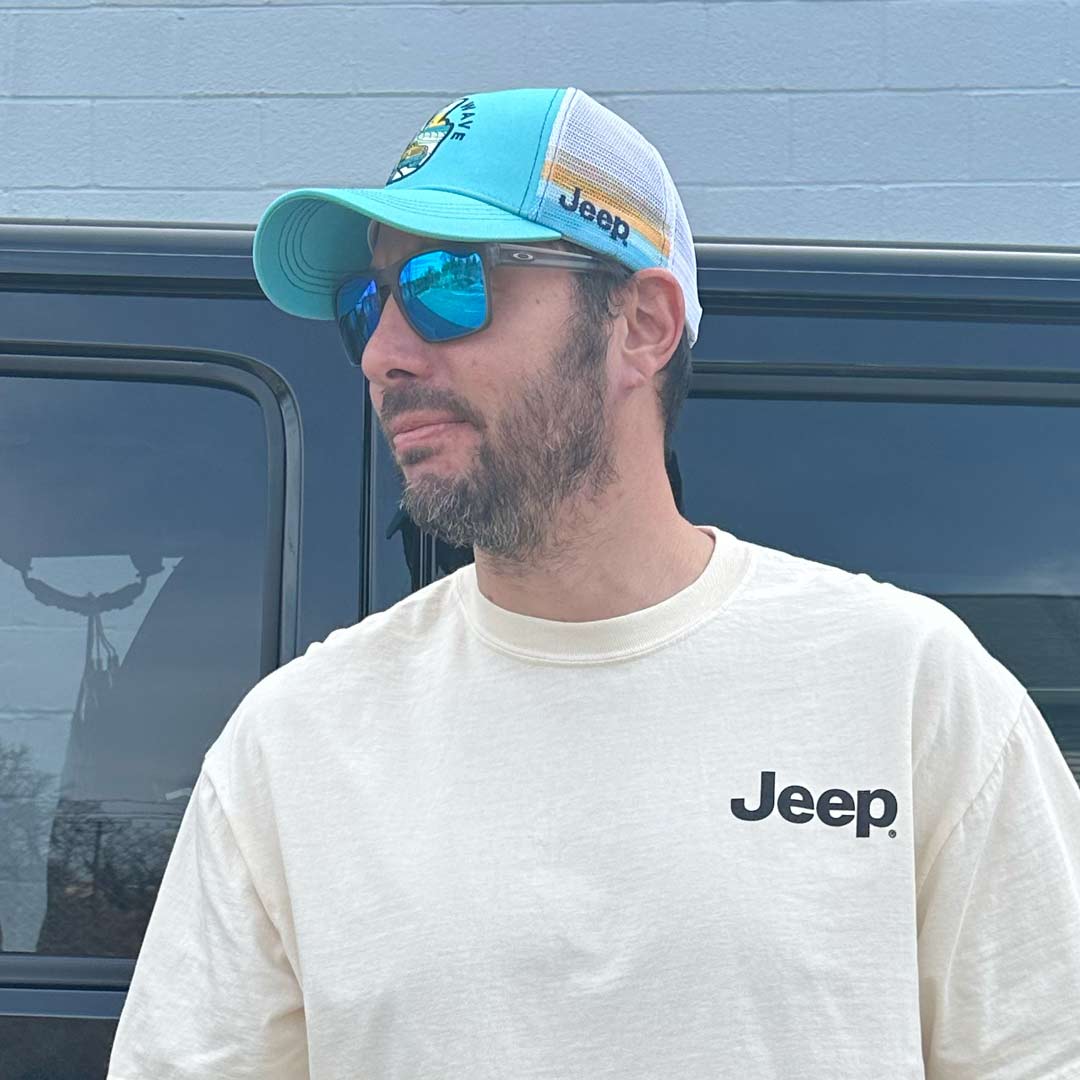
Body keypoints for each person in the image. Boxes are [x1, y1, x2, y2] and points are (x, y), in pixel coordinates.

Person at [106, 86, 1080, 1080]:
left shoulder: (909, 690)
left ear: (642, 324)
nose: (385, 355)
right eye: (368, 305)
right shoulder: (297, 743)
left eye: (448, 283)